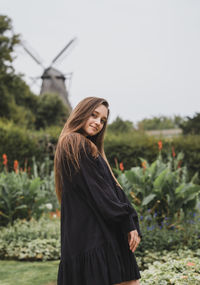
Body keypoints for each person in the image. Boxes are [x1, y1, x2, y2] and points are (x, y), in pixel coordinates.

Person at [54, 97, 142, 285]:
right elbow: (100, 192)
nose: (98, 123)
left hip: (100, 233)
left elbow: (110, 187)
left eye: (102, 120)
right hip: (94, 236)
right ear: (80, 113)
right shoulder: (75, 143)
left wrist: (130, 219)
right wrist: (127, 220)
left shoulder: (87, 146)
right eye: (93, 115)